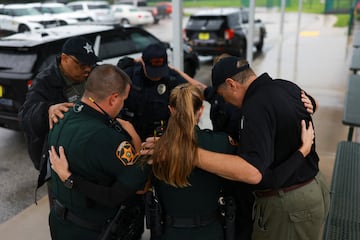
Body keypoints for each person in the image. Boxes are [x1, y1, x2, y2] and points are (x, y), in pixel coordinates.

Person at [49, 83, 315, 240]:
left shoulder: (155, 147)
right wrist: (301, 151)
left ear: (171, 110)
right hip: (211, 231)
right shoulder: (222, 143)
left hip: (169, 233)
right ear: (201, 110)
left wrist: (132, 134)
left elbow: (136, 188)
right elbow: (253, 178)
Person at [194, 56, 329, 240]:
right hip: (312, 189)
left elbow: (253, 172)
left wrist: (189, 155)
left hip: (290, 205)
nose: (226, 101)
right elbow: (307, 105)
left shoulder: (255, 106)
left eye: (223, 96)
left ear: (231, 84)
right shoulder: (286, 86)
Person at [47, 64, 151, 240]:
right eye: (123, 100)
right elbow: (140, 186)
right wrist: (133, 134)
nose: (123, 105)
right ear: (113, 98)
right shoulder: (106, 138)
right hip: (94, 231)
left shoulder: (60, 115)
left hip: (60, 224)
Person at [117, 42, 206, 239]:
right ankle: (135, 228)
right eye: (152, 69)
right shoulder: (130, 75)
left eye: (161, 69)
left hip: (163, 144)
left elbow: (189, 103)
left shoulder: (172, 80)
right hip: (133, 141)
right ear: (143, 63)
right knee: (135, 192)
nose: (157, 74)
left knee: (162, 192)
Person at [18, 35, 99, 201]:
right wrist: (47, 110)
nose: (87, 69)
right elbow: (25, 117)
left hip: (89, 154)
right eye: (82, 64)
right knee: (63, 206)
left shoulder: (93, 73)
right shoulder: (45, 82)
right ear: (65, 59)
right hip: (61, 161)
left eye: (90, 64)